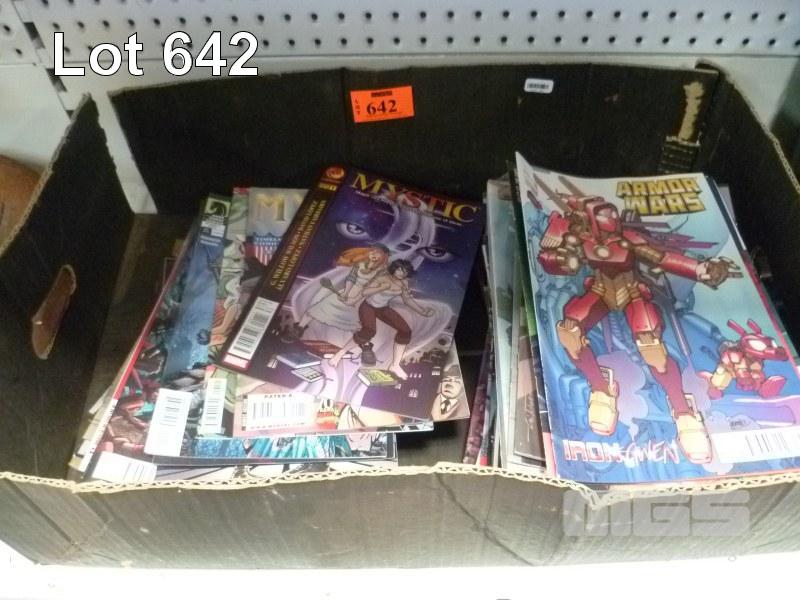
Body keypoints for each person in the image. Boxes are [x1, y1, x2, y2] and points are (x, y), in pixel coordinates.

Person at [329, 259, 434, 380]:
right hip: (368, 306)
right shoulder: (383, 278)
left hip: (382, 308)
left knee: (405, 331)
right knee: (369, 331)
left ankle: (395, 366)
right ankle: (340, 353)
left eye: (405, 271)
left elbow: (407, 300)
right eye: (399, 269)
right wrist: (381, 287)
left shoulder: (404, 283)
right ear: (394, 269)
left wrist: (422, 311)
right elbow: (365, 292)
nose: (401, 273)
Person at [285, 244, 390, 342]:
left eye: (378, 252)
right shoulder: (360, 265)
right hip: (346, 293)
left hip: (360, 299)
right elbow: (351, 278)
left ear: (383, 256)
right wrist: (346, 293)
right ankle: (299, 329)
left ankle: (364, 345)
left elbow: (370, 289)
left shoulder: (382, 272)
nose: (374, 254)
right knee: (316, 309)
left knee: (353, 324)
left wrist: (354, 299)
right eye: (372, 251)